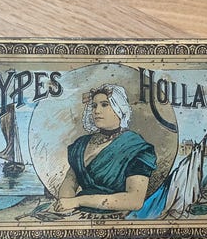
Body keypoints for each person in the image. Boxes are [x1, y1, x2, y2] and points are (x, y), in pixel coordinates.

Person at [54, 84, 157, 215]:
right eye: (94, 106)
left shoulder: (135, 146)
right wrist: (66, 205)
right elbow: (70, 181)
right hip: (78, 214)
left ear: (119, 108)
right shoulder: (81, 144)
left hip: (117, 217)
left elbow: (134, 200)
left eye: (104, 105)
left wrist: (78, 201)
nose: (96, 111)